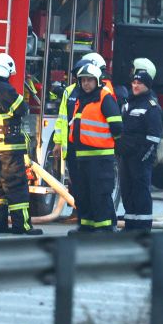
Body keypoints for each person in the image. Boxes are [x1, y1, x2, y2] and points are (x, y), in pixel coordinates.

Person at [0, 53, 42, 236]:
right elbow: (23, 109)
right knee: (16, 186)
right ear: (7, 71)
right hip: (9, 146)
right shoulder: (7, 90)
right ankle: (22, 226)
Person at [63, 62, 123, 232]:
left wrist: (112, 146)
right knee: (83, 193)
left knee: (100, 193)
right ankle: (86, 225)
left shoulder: (105, 97)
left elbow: (117, 126)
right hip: (82, 157)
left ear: (97, 81)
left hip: (100, 157)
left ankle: (104, 228)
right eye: (83, 81)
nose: (86, 84)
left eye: (90, 80)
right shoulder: (81, 99)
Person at [118, 61, 162, 231]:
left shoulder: (151, 107)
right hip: (126, 157)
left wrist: (143, 157)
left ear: (147, 85)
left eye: (139, 83)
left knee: (141, 191)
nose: (135, 86)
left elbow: (154, 136)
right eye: (134, 82)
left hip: (141, 158)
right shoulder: (128, 104)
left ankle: (143, 227)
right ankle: (131, 224)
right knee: (127, 190)